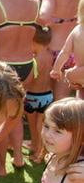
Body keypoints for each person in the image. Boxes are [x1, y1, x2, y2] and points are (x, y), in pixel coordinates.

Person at [0, 0, 40, 174]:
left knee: (1, 118)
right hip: (27, 64)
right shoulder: (35, 2)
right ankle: (18, 157)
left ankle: (0, 166)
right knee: (16, 114)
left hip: (2, 67)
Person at [39, 0, 84, 100]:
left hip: (55, 50)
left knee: (55, 100)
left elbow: (44, 16)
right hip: (76, 51)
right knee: (68, 98)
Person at [25, 26, 54, 164]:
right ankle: (38, 148)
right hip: (47, 96)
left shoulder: (36, 60)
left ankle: (37, 152)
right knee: (41, 126)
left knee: (34, 126)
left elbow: (30, 79)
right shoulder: (50, 55)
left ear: (33, 41)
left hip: (33, 97)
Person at [51, 0, 84, 97]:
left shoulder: (77, 30)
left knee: (80, 99)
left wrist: (56, 69)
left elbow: (65, 52)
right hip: (79, 74)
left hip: (79, 78)